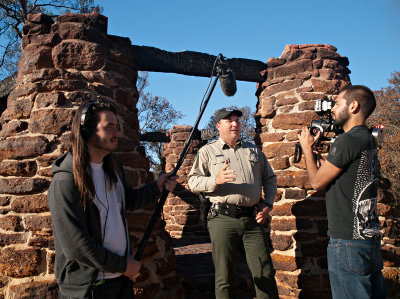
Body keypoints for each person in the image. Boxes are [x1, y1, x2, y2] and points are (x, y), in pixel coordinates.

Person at [47, 101, 178, 298]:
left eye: (117, 126)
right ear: (86, 131)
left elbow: (127, 201)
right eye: (109, 126)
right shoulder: (65, 181)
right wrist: (124, 265)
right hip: (89, 288)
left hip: (121, 280)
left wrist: (157, 187)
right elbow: (76, 246)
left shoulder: (112, 165)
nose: (117, 132)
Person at [298, 85, 386, 299]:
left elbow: (317, 182)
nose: (333, 109)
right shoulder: (368, 139)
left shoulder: (348, 140)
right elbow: (341, 174)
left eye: (337, 103)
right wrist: (320, 159)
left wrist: (307, 149)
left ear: (353, 106)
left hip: (347, 242)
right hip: (368, 238)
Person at [188, 108, 279, 299]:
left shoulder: (253, 150)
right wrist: (215, 180)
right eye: (229, 120)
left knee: (265, 272)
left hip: (252, 219)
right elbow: (193, 182)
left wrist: (267, 204)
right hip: (222, 218)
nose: (235, 123)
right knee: (225, 277)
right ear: (218, 126)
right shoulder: (207, 151)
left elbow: (270, 178)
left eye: (237, 120)